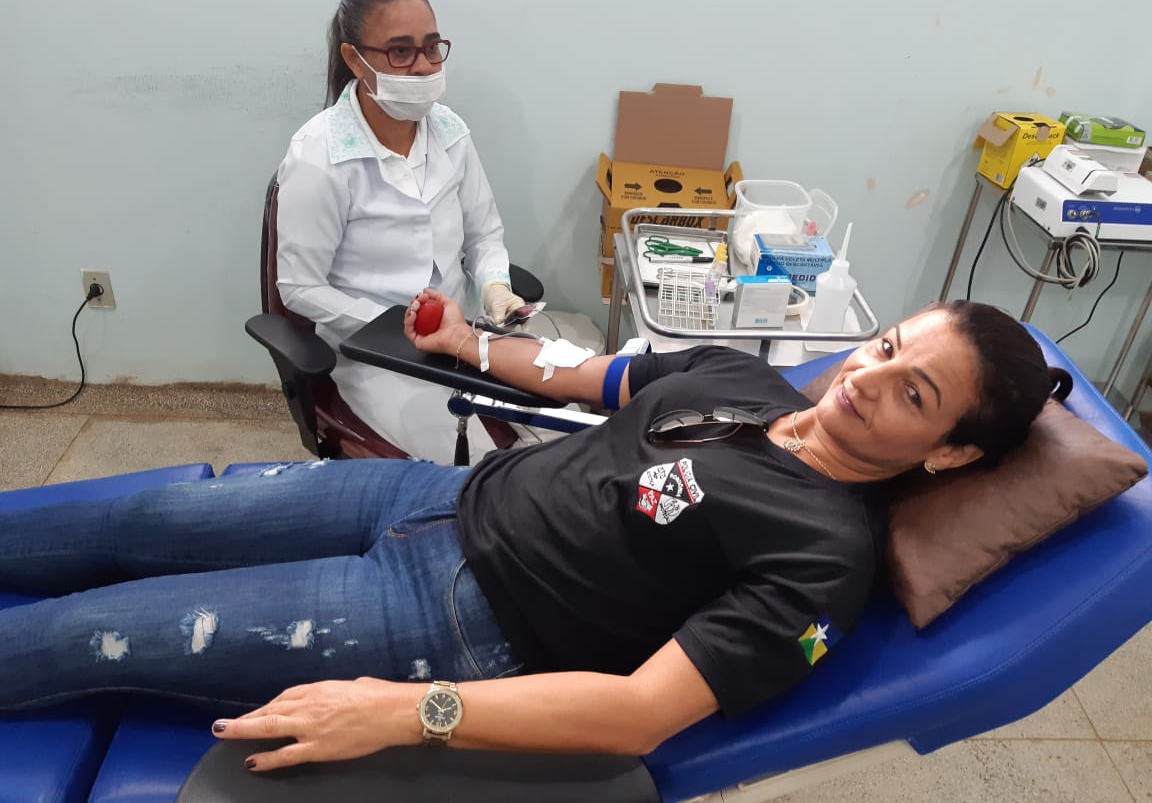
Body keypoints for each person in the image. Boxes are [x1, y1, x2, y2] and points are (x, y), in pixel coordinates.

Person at [0, 297, 1057, 771]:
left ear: (950, 455)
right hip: (420, 495)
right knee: (137, 516)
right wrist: (469, 342)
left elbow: (641, 716)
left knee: (87, 633)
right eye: (886, 346)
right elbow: (590, 377)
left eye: (913, 394)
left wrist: (407, 712)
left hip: (450, 624)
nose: (866, 378)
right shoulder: (746, 380)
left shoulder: (825, 560)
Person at [275, 0, 528, 464]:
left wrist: (496, 287)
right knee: (478, 473)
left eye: (432, 48)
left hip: (463, 333)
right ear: (355, 59)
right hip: (377, 356)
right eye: (400, 51)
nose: (423, 66)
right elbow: (299, 288)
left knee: (561, 424)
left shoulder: (450, 132)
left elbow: (484, 236)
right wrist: (397, 327)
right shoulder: (319, 156)